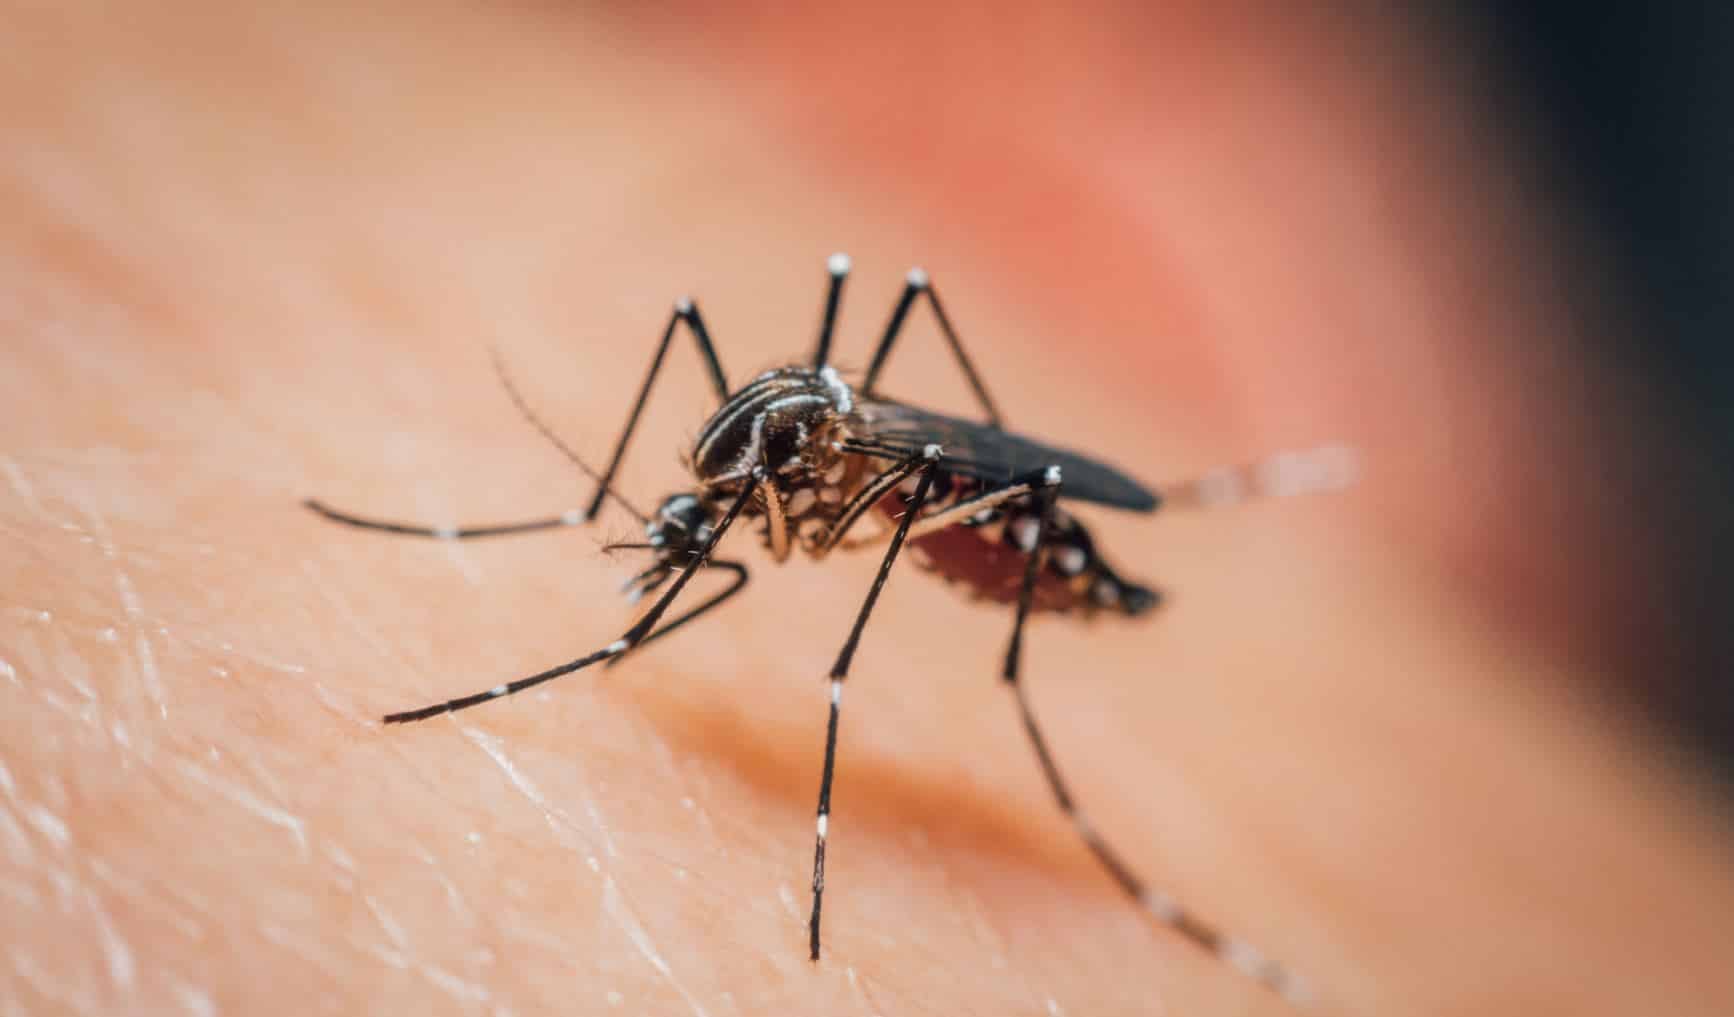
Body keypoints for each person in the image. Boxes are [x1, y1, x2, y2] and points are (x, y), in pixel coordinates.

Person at [4, 5, 1730, 1015]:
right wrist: (586, 532)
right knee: (839, 323)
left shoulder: (825, 473)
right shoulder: (736, 450)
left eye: (683, 528)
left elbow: (828, 511)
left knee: (846, 585)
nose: (688, 544)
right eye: (684, 524)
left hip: (1004, 508)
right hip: (910, 467)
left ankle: (1149, 533)